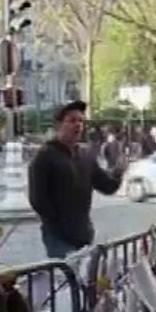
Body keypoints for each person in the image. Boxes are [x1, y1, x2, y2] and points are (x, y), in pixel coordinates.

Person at [28, 100, 124, 259]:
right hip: (58, 237)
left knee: (85, 280)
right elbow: (38, 199)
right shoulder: (45, 155)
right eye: (72, 120)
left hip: (84, 234)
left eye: (81, 121)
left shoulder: (85, 155)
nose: (78, 125)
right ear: (59, 125)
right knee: (68, 278)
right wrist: (56, 221)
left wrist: (118, 172)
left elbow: (107, 186)